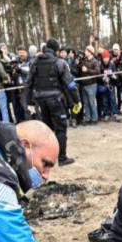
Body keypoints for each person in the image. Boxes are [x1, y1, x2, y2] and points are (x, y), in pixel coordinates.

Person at [27, 38, 81, 166]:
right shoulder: (59, 63)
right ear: (56, 50)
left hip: (40, 101)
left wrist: (29, 103)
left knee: (47, 129)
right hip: (55, 100)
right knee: (61, 129)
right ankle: (62, 158)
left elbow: (28, 83)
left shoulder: (35, 62)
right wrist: (77, 100)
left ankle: (47, 158)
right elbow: (70, 84)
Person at [79, 46, 100, 124]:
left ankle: (94, 119)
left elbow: (98, 72)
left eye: (86, 51)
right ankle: (88, 118)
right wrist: (78, 64)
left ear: (90, 52)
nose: (85, 52)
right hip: (84, 85)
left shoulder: (95, 61)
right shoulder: (84, 60)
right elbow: (80, 69)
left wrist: (87, 70)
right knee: (86, 103)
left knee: (92, 103)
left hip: (91, 85)